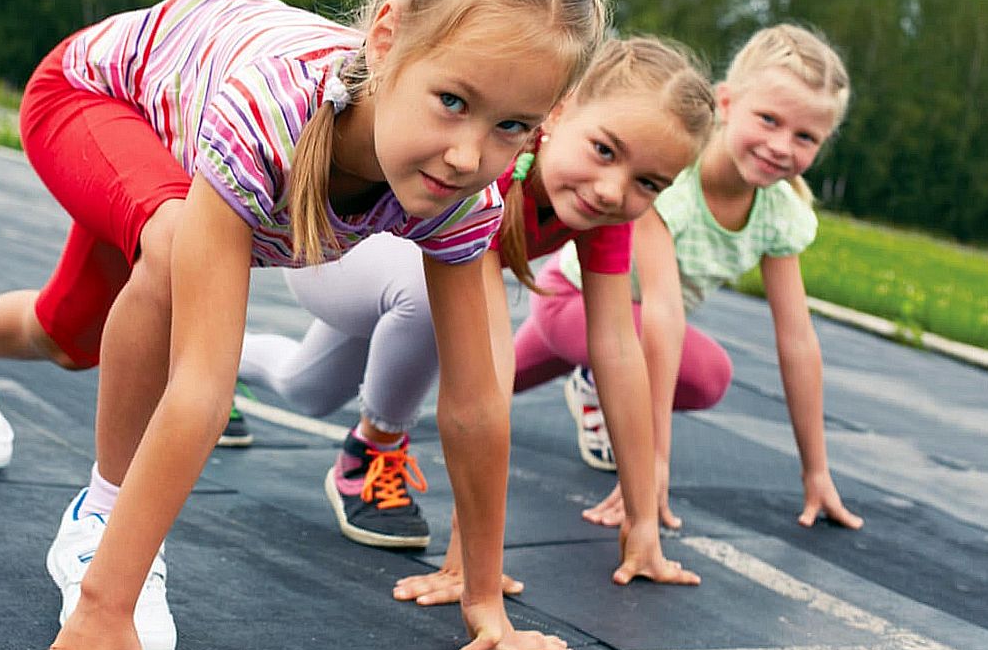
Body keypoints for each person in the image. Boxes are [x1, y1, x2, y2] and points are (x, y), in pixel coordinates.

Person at [0, 0, 608, 650]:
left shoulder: (462, 193)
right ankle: (98, 525)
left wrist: (481, 591)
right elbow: (203, 384)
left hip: (172, 137)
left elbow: (477, 404)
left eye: (513, 125)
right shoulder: (274, 114)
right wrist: (105, 610)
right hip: (93, 98)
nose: (469, 154)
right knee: (165, 252)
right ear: (385, 39)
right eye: (453, 100)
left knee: (70, 334)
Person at [239, 36, 715, 599]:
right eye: (605, 151)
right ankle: (375, 449)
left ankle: (226, 365)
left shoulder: (604, 213)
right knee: (439, 303)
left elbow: (616, 349)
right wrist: (469, 564)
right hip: (335, 252)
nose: (613, 189)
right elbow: (487, 373)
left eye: (648, 183)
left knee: (306, 386)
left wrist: (642, 526)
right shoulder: (493, 167)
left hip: (390, 281)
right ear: (558, 114)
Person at [515, 23, 865, 534]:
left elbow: (797, 339)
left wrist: (816, 471)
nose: (780, 146)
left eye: (805, 136)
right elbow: (662, 310)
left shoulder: (779, 211)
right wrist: (652, 462)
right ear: (726, 103)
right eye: (768, 119)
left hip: (620, 327)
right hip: (572, 304)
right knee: (479, 387)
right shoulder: (670, 177)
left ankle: (589, 379)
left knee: (705, 377)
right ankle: (593, 380)